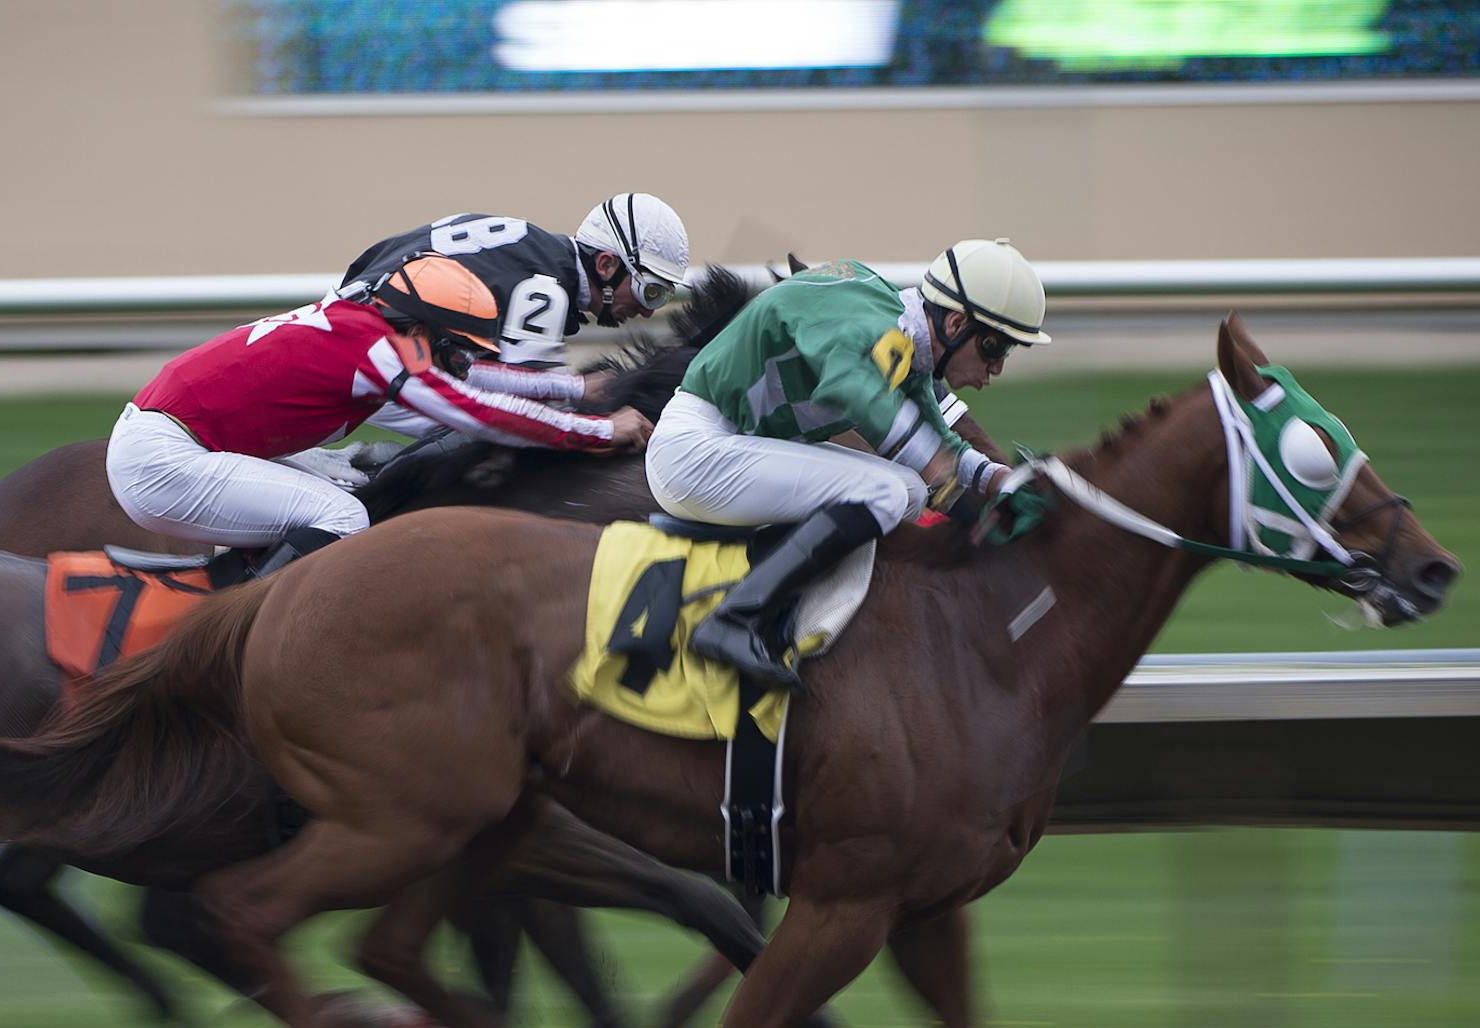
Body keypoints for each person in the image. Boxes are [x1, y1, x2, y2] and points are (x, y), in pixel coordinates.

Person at [645, 238, 1052, 684]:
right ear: (956, 323)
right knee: (888, 489)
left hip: (733, 446)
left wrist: (998, 481)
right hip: (696, 452)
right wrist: (941, 471)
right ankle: (735, 616)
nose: (996, 369)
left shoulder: (900, 336)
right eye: (995, 348)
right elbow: (852, 389)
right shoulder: (869, 322)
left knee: (911, 491)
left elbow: (938, 438)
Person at [106, 254, 652, 573]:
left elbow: (461, 379)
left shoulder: (369, 326)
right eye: (454, 344)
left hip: (180, 441)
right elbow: (473, 410)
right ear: (421, 327)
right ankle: (236, 644)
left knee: (351, 490)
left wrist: (574, 387)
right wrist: (599, 430)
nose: (462, 357)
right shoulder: (375, 348)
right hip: (166, 460)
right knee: (346, 520)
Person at [336, 194, 692, 432]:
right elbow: (529, 405)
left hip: (337, 327)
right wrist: (580, 391)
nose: (648, 312)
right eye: (651, 292)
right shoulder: (547, 287)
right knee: (512, 429)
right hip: (355, 365)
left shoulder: (532, 248)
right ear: (606, 263)